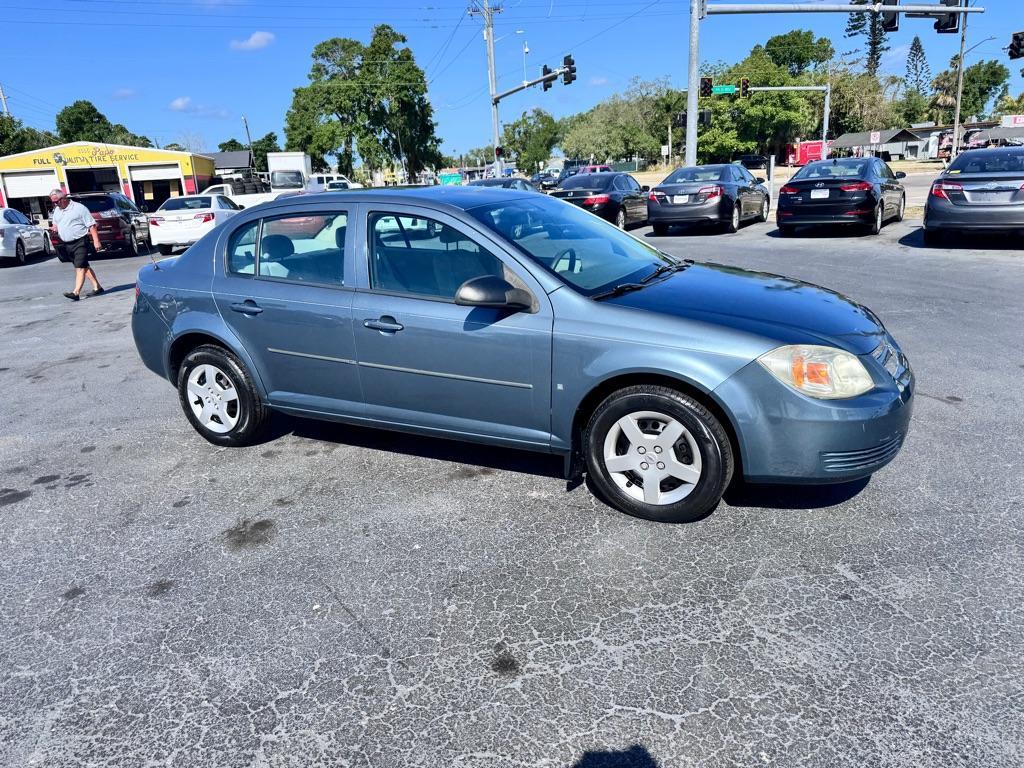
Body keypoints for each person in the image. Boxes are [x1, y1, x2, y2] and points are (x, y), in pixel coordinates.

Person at [49, 189, 103, 301]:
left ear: (63, 198)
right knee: (84, 266)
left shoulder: (79, 208)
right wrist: (54, 228)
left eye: (57, 201)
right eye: (53, 202)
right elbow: (56, 224)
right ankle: (97, 287)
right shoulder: (57, 210)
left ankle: (76, 292)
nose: (55, 204)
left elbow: (92, 225)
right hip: (67, 244)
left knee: (79, 267)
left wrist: (96, 241)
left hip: (80, 241)